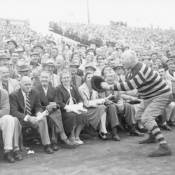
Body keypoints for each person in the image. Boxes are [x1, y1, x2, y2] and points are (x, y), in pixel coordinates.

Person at [101, 50, 172, 157]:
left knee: (147, 119)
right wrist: (116, 81)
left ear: (131, 59)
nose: (121, 61)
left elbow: (130, 85)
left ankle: (164, 146)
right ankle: (153, 136)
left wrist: (109, 86)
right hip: (151, 96)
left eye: (123, 59)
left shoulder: (139, 69)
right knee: (138, 116)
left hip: (161, 95)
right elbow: (126, 85)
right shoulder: (132, 70)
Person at [9, 76, 54, 154]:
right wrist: (28, 118)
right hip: (21, 118)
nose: (28, 86)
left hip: (32, 116)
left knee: (43, 119)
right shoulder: (14, 95)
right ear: (20, 84)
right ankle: (16, 149)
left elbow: (38, 106)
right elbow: (14, 112)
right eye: (26, 85)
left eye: (29, 84)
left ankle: (47, 144)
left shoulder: (35, 92)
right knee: (15, 121)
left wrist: (38, 113)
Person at [35, 71, 76, 149]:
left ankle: (54, 141)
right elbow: (36, 105)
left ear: (50, 79)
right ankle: (59, 138)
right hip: (41, 112)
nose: (44, 79)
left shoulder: (54, 89)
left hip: (52, 111)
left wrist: (54, 105)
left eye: (46, 77)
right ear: (40, 78)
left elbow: (57, 103)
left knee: (55, 113)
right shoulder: (35, 90)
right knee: (55, 114)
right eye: (42, 77)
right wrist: (46, 107)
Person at [56, 69, 85, 145]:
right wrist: (72, 108)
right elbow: (60, 103)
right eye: (64, 78)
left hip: (75, 109)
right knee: (72, 116)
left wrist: (79, 106)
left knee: (82, 114)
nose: (66, 79)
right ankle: (71, 136)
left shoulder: (74, 87)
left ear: (70, 78)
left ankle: (77, 136)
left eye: (68, 77)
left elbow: (80, 99)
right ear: (61, 79)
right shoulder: (58, 88)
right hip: (65, 111)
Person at [79, 73, 110, 140]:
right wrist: (96, 102)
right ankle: (102, 131)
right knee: (102, 108)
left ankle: (103, 130)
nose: (90, 79)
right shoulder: (81, 88)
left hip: (94, 107)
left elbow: (95, 99)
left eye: (91, 77)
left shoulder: (94, 88)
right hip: (85, 108)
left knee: (102, 107)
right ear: (85, 79)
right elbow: (85, 102)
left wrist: (101, 100)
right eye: (88, 77)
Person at [0, 88, 23, 163]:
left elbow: (5, 111)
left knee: (10, 119)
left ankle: (8, 151)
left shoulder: (3, 93)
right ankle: (15, 149)